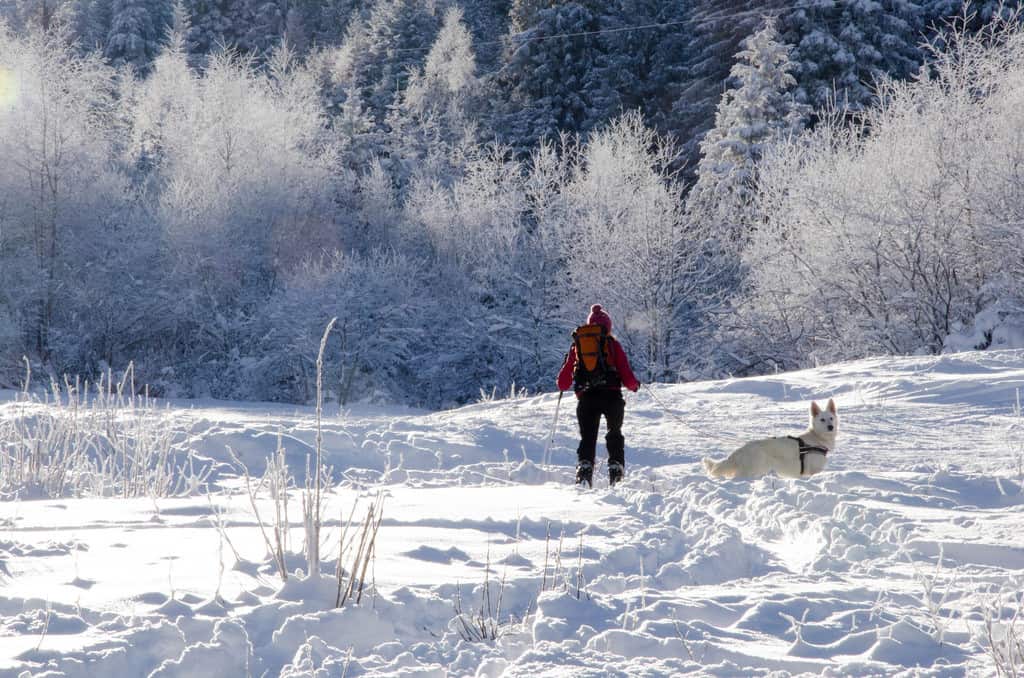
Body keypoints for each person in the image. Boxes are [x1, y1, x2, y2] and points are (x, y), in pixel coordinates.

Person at [556, 304, 640, 487]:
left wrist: (565, 385)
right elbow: (626, 375)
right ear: (608, 327)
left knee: (588, 437)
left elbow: (563, 380)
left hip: (587, 399)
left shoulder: (578, 345)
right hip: (612, 397)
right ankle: (616, 470)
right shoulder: (613, 344)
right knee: (614, 433)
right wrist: (634, 386)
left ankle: (584, 471)